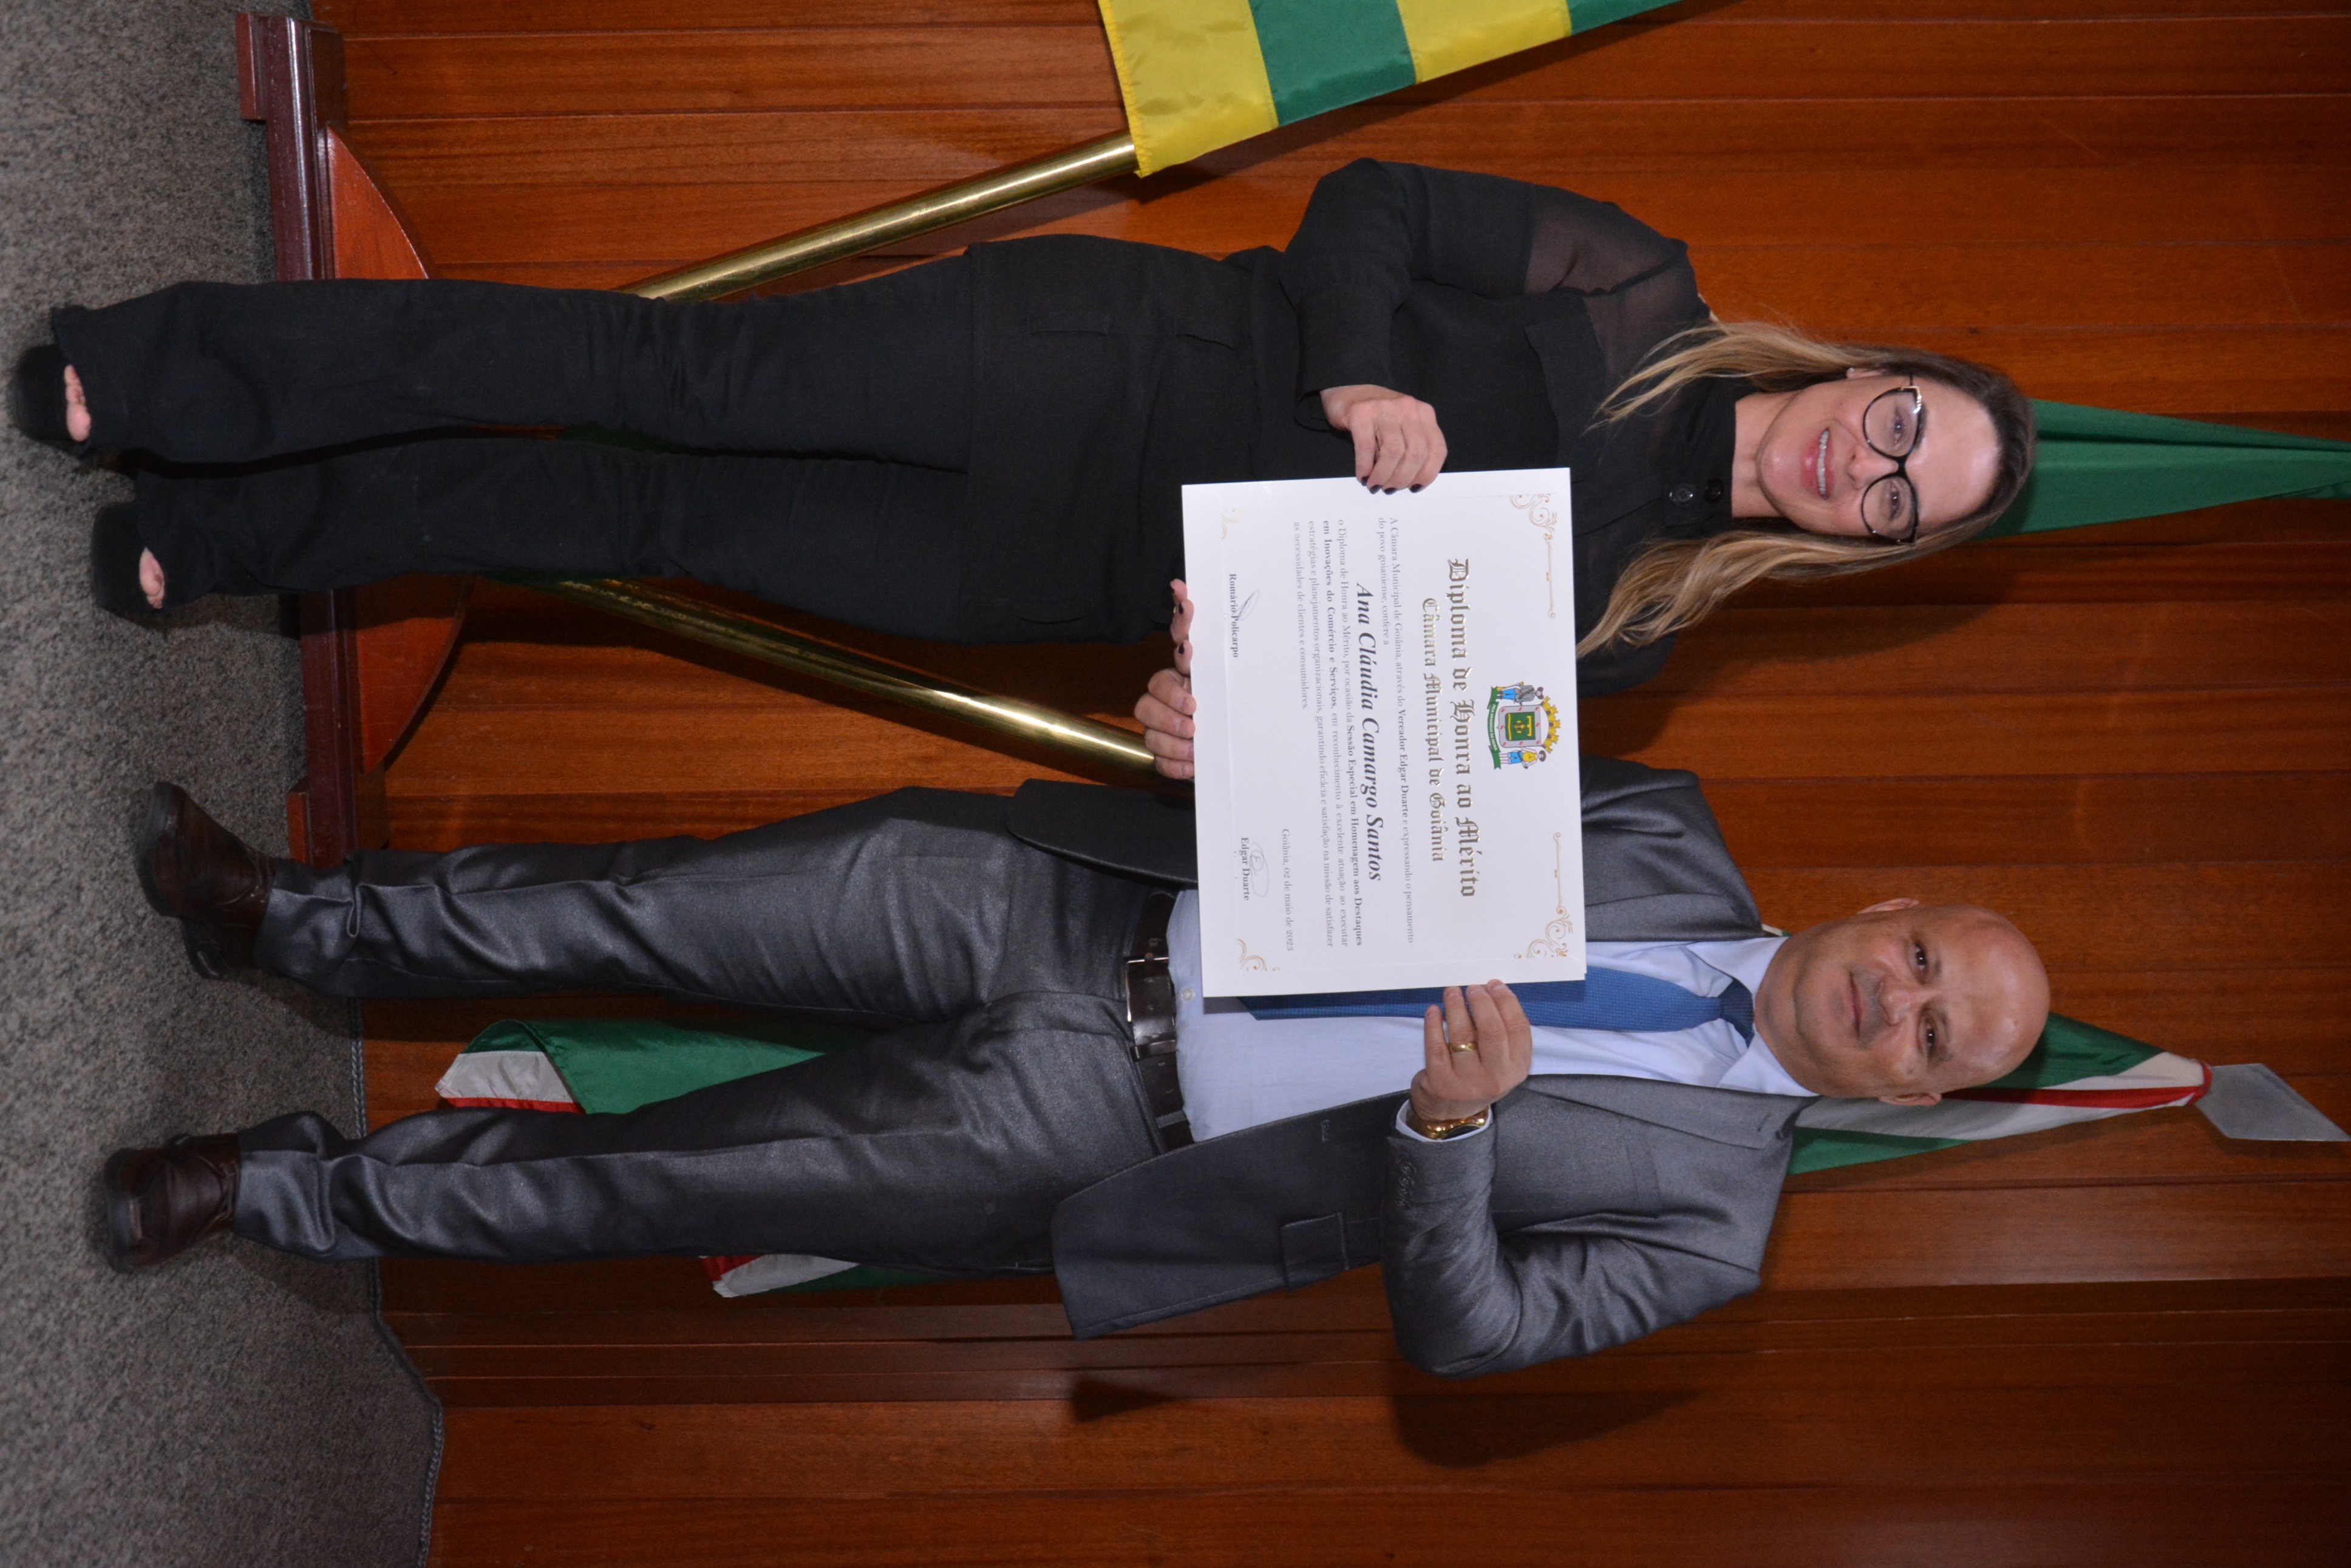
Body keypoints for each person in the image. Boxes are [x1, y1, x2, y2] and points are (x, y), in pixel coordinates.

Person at [106, 761, 2049, 1375]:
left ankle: (286, 1188)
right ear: (1893, 906)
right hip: (1076, 896)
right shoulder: (1664, 824)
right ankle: (285, 916)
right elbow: (1401, 763)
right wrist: (1240, 718)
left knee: (656, 1183)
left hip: (1093, 1134)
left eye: (1937, 1037)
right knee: (646, 908)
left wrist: (1452, 1133)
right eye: (1923, 962)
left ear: (1923, 1099)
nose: (1902, 1006)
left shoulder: (1712, 1237)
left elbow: (1472, 1337)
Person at [18, 160, 2034, 696]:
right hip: (1079, 361)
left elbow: (1362, 715)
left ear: (1870, 552)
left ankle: (243, 537)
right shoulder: (1632, 290)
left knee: (636, 527)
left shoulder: (1637, 631)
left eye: (1896, 505)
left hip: (1049, 570)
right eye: (1902, 424)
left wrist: (1219, 712)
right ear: (1874, 366)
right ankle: (175, 373)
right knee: (655, 378)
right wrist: (1356, 372)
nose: (1858, 467)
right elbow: (1375, 209)